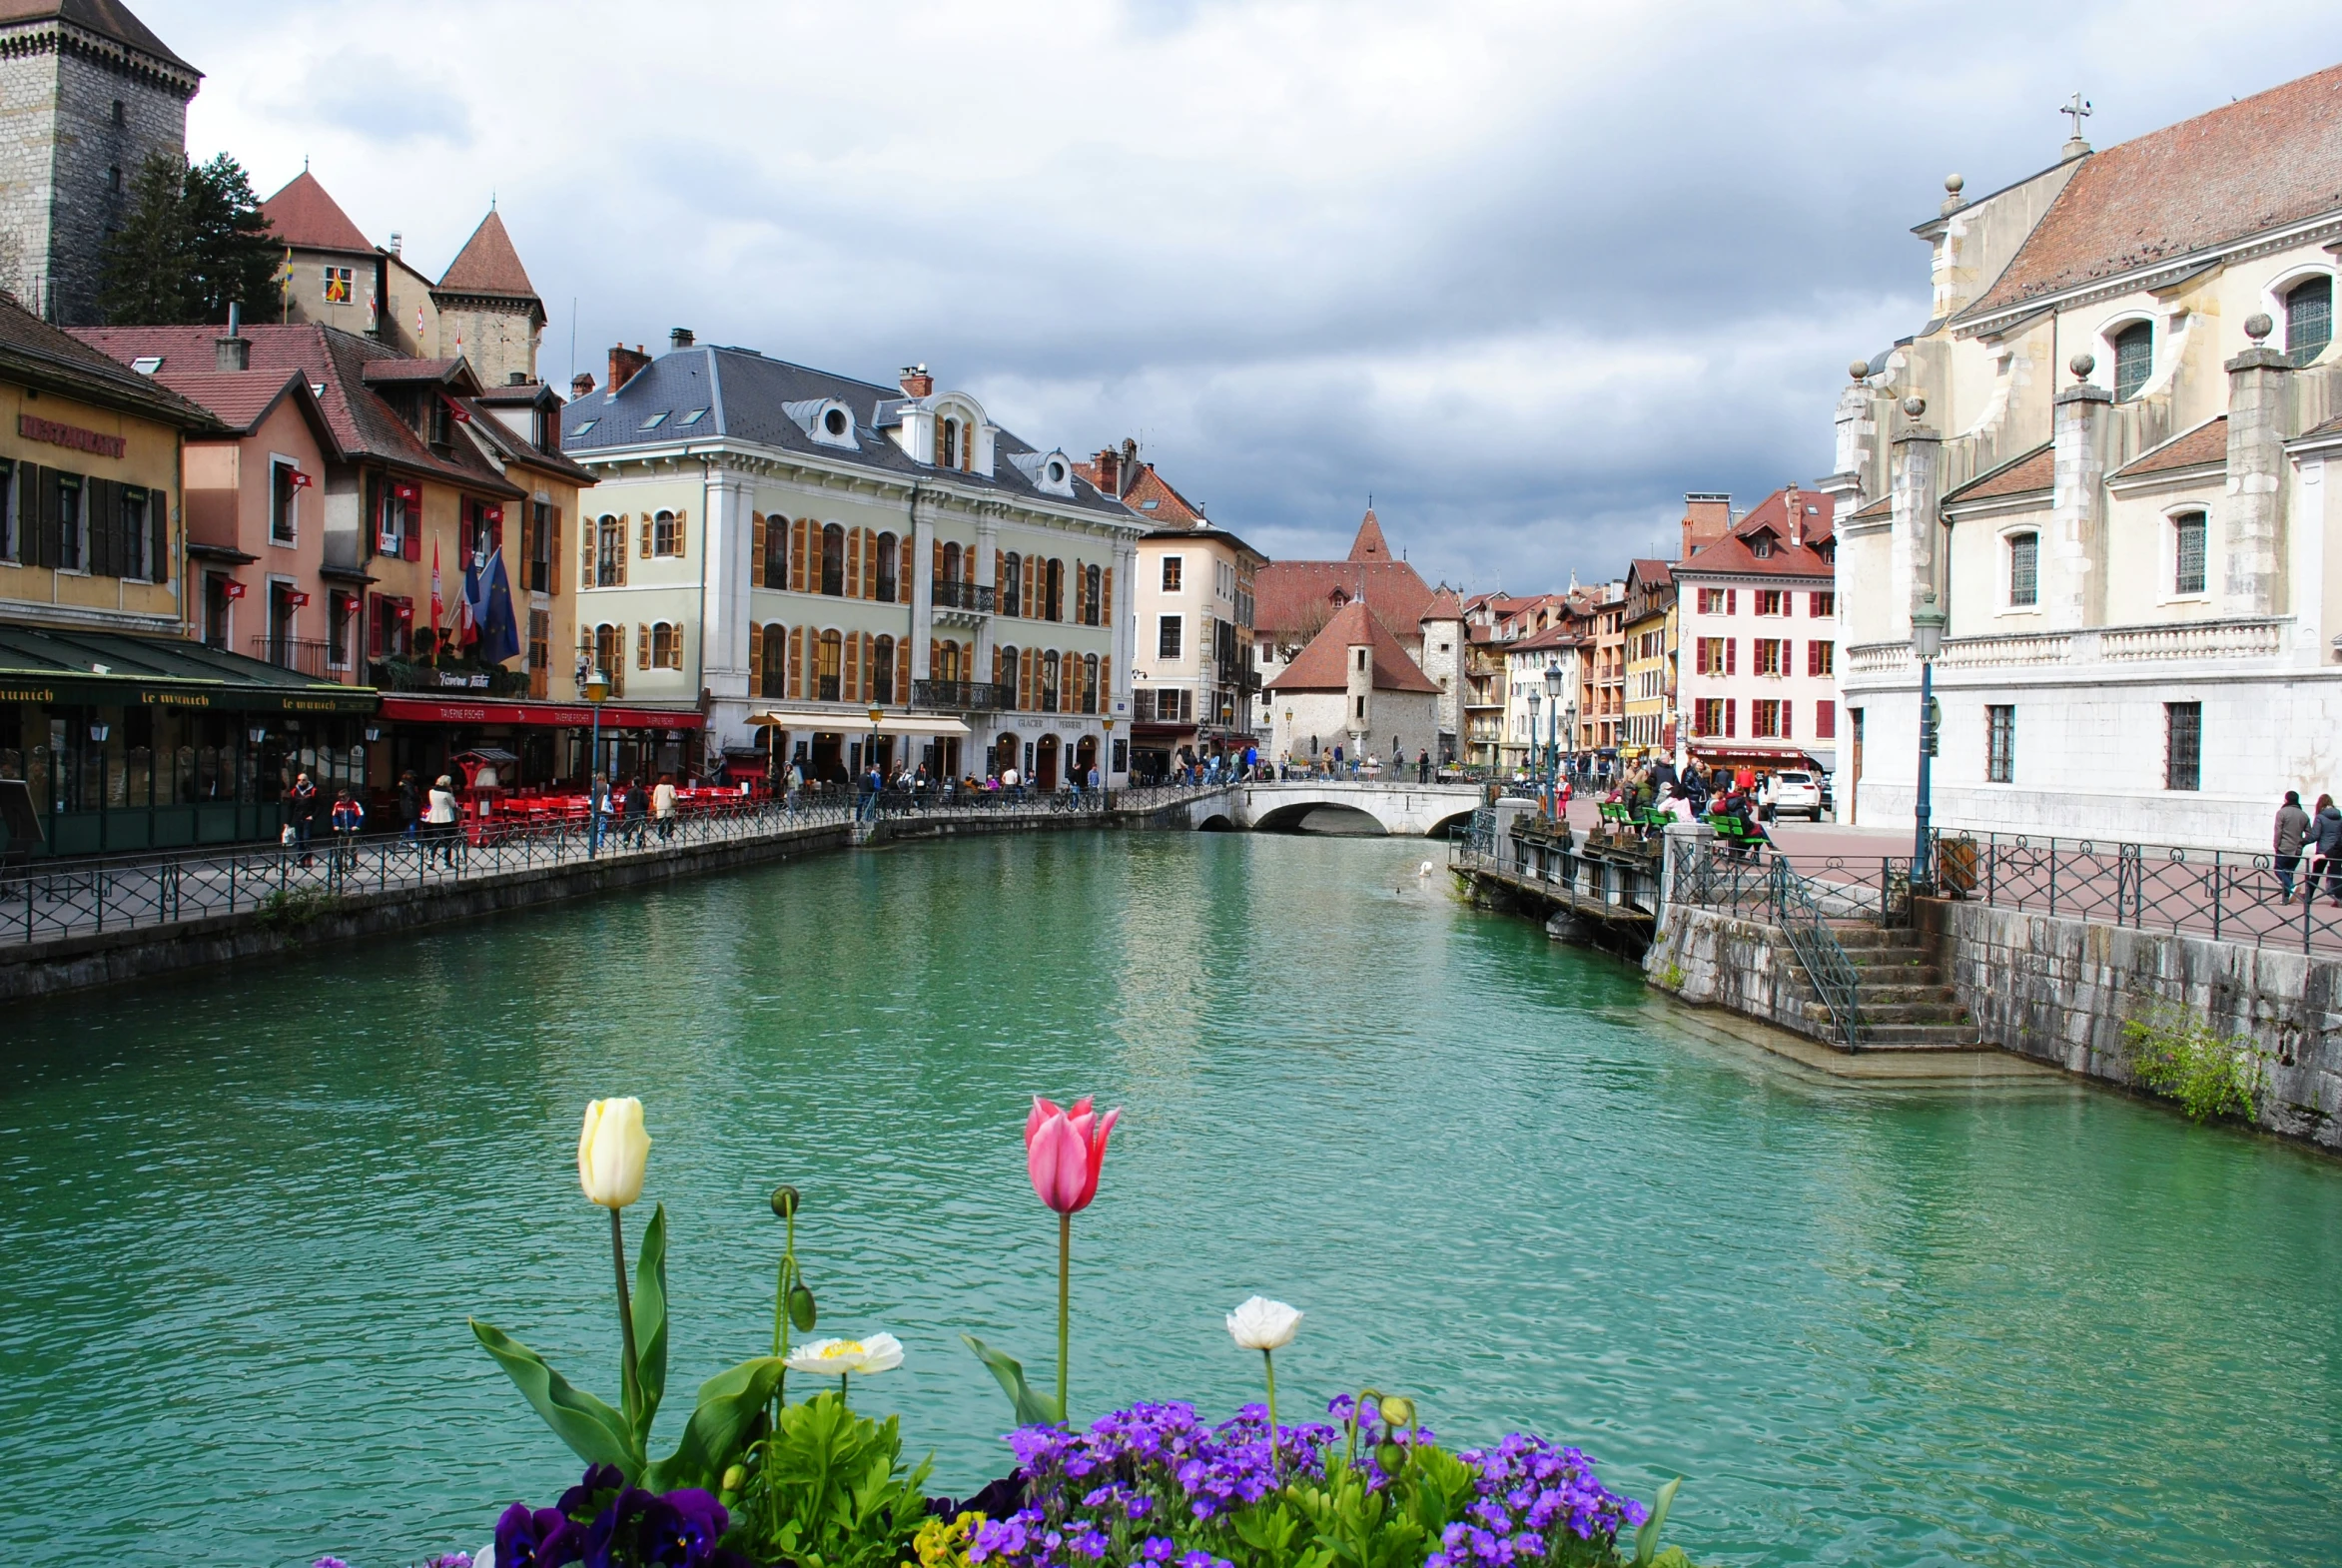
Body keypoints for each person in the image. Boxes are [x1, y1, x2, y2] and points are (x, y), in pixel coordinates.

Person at [2274, 790, 2311, 902]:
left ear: (2286, 800)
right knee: (2289, 872)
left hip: (2284, 848)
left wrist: (2276, 845)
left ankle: (2291, 887)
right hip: (2297, 850)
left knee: (2278, 870)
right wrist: (2301, 843)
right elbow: (2310, 834)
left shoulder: (2282, 813)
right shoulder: (2303, 815)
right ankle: (2287, 897)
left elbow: (2278, 831)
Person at [2310, 793, 2342, 908]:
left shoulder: (2320, 817)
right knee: (2336, 875)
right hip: (2337, 850)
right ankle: (2339, 898)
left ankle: (2308, 897)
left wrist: (2303, 841)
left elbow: (2315, 835)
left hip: (2323, 850)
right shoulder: (2339, 816)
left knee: (2315, 875)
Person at [285, 770, 319, 866]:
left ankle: (308, 857)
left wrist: (313, 816)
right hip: (298, 817)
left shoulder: (313, 791)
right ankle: (301, 859)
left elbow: (320, 806)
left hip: (308, 817)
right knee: (299, 839)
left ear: (307, 780)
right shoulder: (294, 791)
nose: (301, 782)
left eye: (303, 780)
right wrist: (287, 821)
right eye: (299, 780)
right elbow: (291, 807)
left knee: (307, 838)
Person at [425, 774, 460, 867]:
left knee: (436, 838)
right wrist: (452, 793)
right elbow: (453, 805)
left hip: (435, 816)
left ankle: (431, 859)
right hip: (446, 816)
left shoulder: (431, 791)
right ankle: (447, 861)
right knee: (448, 839)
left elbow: (432, 803)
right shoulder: (447, 793)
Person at [330, 787, 365, 871]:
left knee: (352, 846)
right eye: (340, 797)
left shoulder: (354, 804)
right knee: (340, 846)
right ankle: (339, 864)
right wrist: (336, 825)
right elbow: (335, 816)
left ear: (348, 796)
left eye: (343, 797)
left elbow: (361, 815)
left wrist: (357, 826)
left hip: (352, 829)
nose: (341, 799)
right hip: (342, 828)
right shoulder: (337, 804)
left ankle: (353, 862)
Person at [624, 776, 650, 846]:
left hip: (630, 812)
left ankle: (626, 841)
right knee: (640, 828)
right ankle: (640, 841)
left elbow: (626, 801)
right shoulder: (642, 792)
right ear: (640, 783)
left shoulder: (629, 792)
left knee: (628, 827)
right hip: (639, 812)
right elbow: (646, 802)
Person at [652, 773, 678, 840]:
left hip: (660, 805)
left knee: (661, 822)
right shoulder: (670, 786)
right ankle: (669, 835)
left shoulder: (658, 787)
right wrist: (677, 798)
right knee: (669, 821)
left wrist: (655, 804)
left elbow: (655, 796)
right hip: (668, 805)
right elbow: (673, 796)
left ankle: (661, 836)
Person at [397, 769, 420, 841]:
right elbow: (412, 795)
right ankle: (411, 838)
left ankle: (404, 837)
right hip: (410, 805)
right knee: (412, 822)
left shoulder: (402, 784)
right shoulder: (408, 785)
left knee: (408, 822)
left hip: (404, 805)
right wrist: (418, 797)